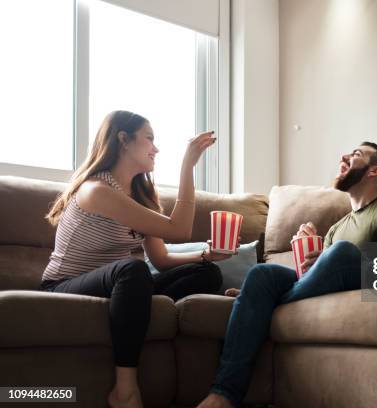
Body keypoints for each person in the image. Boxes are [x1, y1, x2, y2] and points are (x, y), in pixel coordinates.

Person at [199, 142, 377, 408]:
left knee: (340, 253)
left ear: (374, 170)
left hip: (370, 280)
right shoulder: (336, 228)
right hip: (326, 283)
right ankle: (223, 394)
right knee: (263, 274)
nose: (344, 156)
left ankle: (264, 301)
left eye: (356, 154)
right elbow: (313, 281)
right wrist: (314, 258)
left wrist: (339, 259)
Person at [40, 110, 233, 408]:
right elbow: (179, 229)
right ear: (123, 140)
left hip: (119, 286)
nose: (156, 148)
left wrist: (207, 255)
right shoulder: (96, 191)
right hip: (64, 285)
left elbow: (162, 258)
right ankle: (125, 389)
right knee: (133, 269)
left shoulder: (140, 193)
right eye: (150, 139)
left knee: (207, 274)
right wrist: (187, 165)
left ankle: (130, 307)